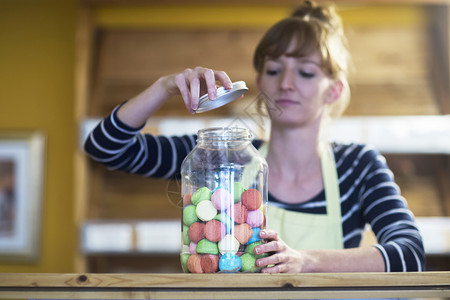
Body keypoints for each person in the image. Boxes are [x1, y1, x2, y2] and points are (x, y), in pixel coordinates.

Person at [84, 0, 425, 273]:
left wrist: (306, 262)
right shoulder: (220, 155)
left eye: (306, 72)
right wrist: (163, 88)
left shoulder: (358, 165)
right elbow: (105, 147)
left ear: (333, 91)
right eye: (274, 70)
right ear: (261, 83)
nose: (286, 83)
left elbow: (409, 254)